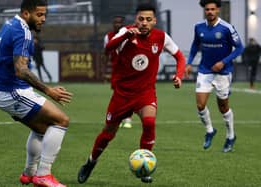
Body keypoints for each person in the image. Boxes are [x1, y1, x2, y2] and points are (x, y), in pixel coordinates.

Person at [78, 3, 185, 184]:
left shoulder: (161, 37)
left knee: (149, 123)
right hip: (122, 94)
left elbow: (180, 57)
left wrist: (179, 75)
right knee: (108, 133)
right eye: (141, 19)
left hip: (145, 93)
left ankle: (145, 168)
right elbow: (108, 48)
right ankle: (91, 162)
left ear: (154, 21)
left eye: (148, 20)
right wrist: (126, 35)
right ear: (136, 20)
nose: (144, 23)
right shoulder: (126, 33)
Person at [0, 0, 72, 187]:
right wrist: (49, 90)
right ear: (26, 13)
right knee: (61, 120)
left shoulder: (9, 24)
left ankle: (29, 173)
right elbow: (21, 70)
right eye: (39, 15)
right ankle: (43, 175)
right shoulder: (23, 32)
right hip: (11, 90)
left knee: (42, 128)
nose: (43, 19)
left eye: (45, 15)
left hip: (4, 88)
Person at [185, 0, 244, 153]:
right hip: (205, 71)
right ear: (204, 11)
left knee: (223, 107)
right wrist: (189, 63)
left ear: (218, 10)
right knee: (200, 105)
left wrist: (223, 62)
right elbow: (194, 45)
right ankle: (210, 130)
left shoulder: (227, 28)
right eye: (207, 9)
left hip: (223, 73)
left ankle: (231, 136)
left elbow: (239, 48)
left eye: (212, 9)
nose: (210, 12)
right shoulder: (199, 27)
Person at [103, 15, 133, 129]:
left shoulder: (129, 35)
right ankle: (119, 118)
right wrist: (104, 70)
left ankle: (128, 119)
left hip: (128, 70)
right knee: (117, 95)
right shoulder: (108, 37)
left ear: (123, 24)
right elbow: (106, 53)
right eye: (115, 22)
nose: (117, 25)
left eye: (119, 23)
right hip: (116, 71)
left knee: (128, 95)